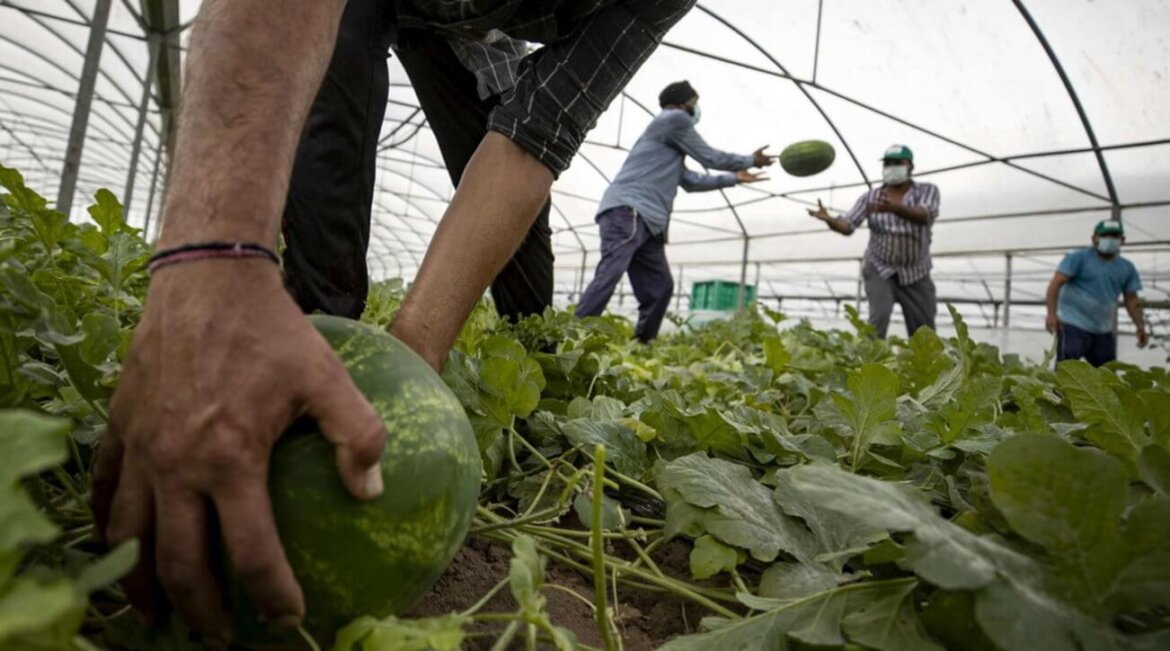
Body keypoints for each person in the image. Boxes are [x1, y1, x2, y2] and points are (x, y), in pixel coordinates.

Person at [91, 0, 698, 644]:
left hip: (475, 44)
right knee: (335, 98)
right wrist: (212, 257)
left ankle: (528, 338)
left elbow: (542, 127)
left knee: (523, 237)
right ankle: (317, 319)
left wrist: (416, 348)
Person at [574, 80, 772, 342]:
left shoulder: (670, 148)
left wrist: (735, 178)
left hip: (651, 221)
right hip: (630, 210)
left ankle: (641, 344)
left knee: (661, 287)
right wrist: (750, 160)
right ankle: (570, 335)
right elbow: (710, 157)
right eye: (695, 103)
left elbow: (691, 181)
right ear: (684, 103)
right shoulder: (673, 119)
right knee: (610, 273)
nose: (696, 109)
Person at [807, 144, 941, 338]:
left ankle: (924, 366)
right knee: (878, 318)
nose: (891, 167)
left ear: (910, 166)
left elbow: (925, 215)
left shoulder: (927, 191)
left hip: (916, 272)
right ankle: (870, 363)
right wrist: (830, 220)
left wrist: (894, 208)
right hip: (880, 268)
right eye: (888, 163)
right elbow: (848, 225)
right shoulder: (871, 197)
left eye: (897, 163)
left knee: (924, 330)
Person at [1046, 220, 1148, 366]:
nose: (1110, 239)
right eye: (1105, 235)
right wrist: (1051, 314)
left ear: (1122, 240)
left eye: (1114, 236)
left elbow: (1132, 300)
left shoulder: (1126, 268)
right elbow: (1055, 284)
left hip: (1102, 328)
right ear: (1094, 238)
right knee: (1067, 370)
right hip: (1072, 323)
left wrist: (1140, 327)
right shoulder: (1078, 258)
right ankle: (1060, 390)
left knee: (1106, 372)